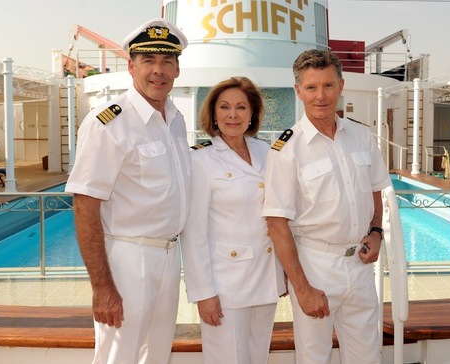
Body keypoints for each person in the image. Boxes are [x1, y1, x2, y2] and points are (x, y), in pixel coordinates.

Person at [65, 18, 190, 364]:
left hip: (168, 256)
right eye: (148, 61)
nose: (158, 70)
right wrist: (102, 287)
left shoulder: (175, 120)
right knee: (119, 355)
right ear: (132, 67)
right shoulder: (109, 122)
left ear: (177, 69)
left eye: (167, 61)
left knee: (157, 353)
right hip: (128, 259)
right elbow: (85, 204)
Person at [262, 49, 391, 363]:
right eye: (311, 87)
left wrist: (376, 233)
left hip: (360, 264)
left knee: (367, 356)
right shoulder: (286, 149)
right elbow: (276, 223)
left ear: (341, 86)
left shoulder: (362, 136)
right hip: (315, 265)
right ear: (298, 91)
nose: (320, 96)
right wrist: (302, 288)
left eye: (328, 86)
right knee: (314, 357)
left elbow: (376, 191)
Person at [181, 76, 285, 364]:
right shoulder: (201, 160)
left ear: (252, 113)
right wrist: (203, 293)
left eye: (241, 107)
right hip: (226, 285)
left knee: (258, 357)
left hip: (265, 277)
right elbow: (194, 232)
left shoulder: (266, 151)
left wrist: (284, 271)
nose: (233, 115)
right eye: (224, 107)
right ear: (213, 114)